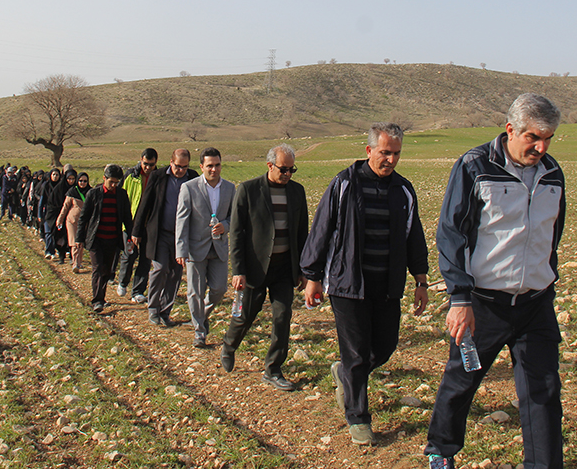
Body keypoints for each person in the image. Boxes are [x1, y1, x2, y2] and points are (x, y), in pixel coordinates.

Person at [425, 94, 565, 469]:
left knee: (543, 392)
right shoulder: (475, 166)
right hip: (484, 304)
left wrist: (544, 281)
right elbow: (452, 234)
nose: (541, 146)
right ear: (510, 130)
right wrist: (459, 298)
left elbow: (552, 235)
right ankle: (440, 452)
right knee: (462, 382)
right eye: (533, 137)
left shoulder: (553, 174)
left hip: (535, 303)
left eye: (548, 137)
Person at [300, 123, 429, 446]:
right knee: (356, 354)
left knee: (384, 347)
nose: (391, 159)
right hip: (347, 283)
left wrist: (421, 279)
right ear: (369, 150)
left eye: (396, 153)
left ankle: (344, 373)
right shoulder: (344, 184)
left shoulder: (404, 190)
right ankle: (358, 418)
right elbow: (321, 230)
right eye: (385, 152)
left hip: (387, 284)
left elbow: (414, 235)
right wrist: (312, 277)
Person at [220, 143, 309, 390]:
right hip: (255, 268)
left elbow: (303, 233)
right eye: (283, 169)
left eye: (292, 169)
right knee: (245, 315)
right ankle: (229, 344)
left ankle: (273, 369)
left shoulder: (297, 192)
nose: (288, 174)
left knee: (282, 316)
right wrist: (238, 270)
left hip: (284, 269)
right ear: (270, 165)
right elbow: (236, 233)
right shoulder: (248, 190)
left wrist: (303, 270)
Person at [176, 147, 235, 349]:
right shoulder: (189, 188)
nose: (214, 169)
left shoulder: (230, 188)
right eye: (209, 165)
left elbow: (234, 217)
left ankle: (201, 316)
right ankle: (199, 332)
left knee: (219, 289)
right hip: (195, 248)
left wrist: (225, 226)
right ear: (201, 167)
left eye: (217, 165)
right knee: (195, 292)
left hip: (218, 247)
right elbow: (182, 219)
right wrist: (181, 250)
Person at [131, 149, 198, 326]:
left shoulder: (193, 178)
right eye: (177, 166)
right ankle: (153, 309)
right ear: (171, 162)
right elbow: (145, 203)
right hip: (160, 233)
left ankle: (165, 311)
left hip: (182, 236)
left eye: (184, 167)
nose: (181, 170)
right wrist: (136, 230)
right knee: (160, 269)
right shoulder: (158, 176)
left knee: (175, 274)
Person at [79, 164, 133, 313]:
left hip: (112, 239)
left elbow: (127, 218)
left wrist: (131, 236)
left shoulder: (121, 195)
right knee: (97, 268)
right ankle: (97, 300)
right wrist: (79, 239)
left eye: (116, 182)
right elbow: (84, 218)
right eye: (111, 182)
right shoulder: (93, 194)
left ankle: (101, 297)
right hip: (96, 238)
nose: (113, 185)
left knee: (107, 270)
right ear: (104, 178)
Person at [116, 148, 158, 303]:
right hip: (131, 221)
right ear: (141, 160)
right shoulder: (130, 175)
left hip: (149, 223)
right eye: (145, 163)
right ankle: (123, 281)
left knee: (146, 258)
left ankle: (138, 291)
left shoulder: (157, 177)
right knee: (130, 254)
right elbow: (121, 195)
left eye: (151, 164)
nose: (148, 167)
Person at [56, 169, 85, 268]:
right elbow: (65, 207)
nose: (83, 183)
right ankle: (75, 263)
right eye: (81, 181)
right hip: (72, 221)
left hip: (84, 221)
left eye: (85, 181)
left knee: (81, 242)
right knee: (74, 242)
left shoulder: (90, 192)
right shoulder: (72, 192)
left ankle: (79, 262)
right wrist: (60, 219)